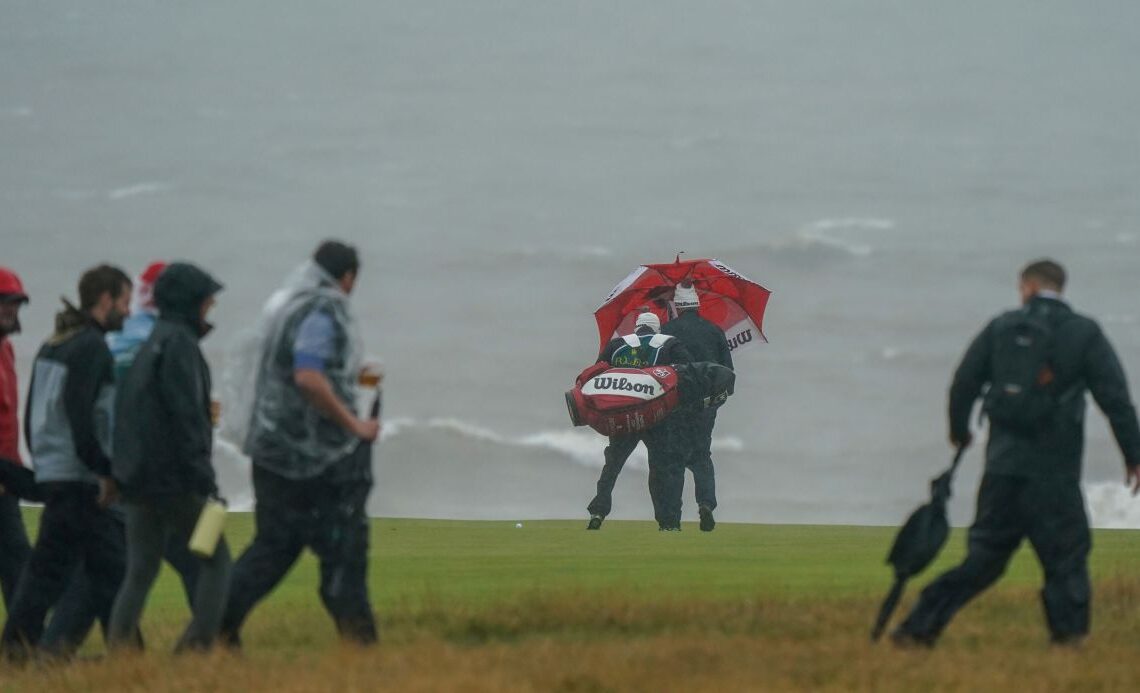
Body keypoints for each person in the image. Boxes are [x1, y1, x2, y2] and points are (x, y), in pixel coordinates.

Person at [892, 259, 1140, 648]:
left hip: (1003, 472)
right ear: (1062, 288)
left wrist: (959, 433)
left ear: (1026, 287)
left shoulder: (1001, 327)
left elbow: (963, 383)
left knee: (982, 561)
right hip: (1054, 476)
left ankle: (917, 629)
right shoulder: (1083, 334)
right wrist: (1134, 456)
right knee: (1066, 561)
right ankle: (1069, 640)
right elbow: (1116, 400)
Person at [220, 240, 380, 647]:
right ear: (347, 277)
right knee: (341, 547)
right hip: (306, 457)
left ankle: (211, 633)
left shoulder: (287, 304)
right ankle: (361, 646)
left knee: (272, 547)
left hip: (271, 451)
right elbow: (307, 376)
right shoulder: (325, 309)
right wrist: (355, 424)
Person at [0, 265, 132, 661]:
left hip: (49, 473)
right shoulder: (89, 346)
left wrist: (37, 468)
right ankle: (125, 654)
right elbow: (80, 413)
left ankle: (19, 650)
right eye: (124, 302)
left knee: (41, 571)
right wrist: (103, 470)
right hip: (77, 477)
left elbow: (29, 414)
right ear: (105, 300)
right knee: (110, 567)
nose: (128, 311)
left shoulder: (52, 343)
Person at [107, 262, 230, 652]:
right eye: (206, 300)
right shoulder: (180, 345)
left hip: (138, 479)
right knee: (217, 561)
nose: (211, 305)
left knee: (140, 570)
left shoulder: (153, 340)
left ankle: (120, 654)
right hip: (172, 481)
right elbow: (187, 419)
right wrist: (204, 480)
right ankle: (195, 650)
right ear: (190, 302)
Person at [586, 311, 692, 530]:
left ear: (637, 327)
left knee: (612, 466)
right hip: (657, 418)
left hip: (623, 416)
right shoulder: (670, 343)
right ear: (657, 328)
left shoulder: (617, 344)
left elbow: (598, 375)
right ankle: (667, 522)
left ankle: (598, 511)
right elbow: (686, 371)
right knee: (659, 469)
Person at [661, 282, 733, 532]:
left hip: (676, 404)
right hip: (706, 405)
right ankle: (706, 504)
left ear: (678, 307)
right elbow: (728, 371)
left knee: (675, 459)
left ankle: (672, 519)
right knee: (702, 455)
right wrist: (717, 401)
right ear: (697, 305)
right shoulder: (714, 331)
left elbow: (658, 371)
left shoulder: (667, 331)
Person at [0, 268, 32, 609]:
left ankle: (23, 646)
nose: (10, 310)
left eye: (14, 304)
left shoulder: (6, 351)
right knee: (19, 562)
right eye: (3, 303)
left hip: (7, 479)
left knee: (18, 564)